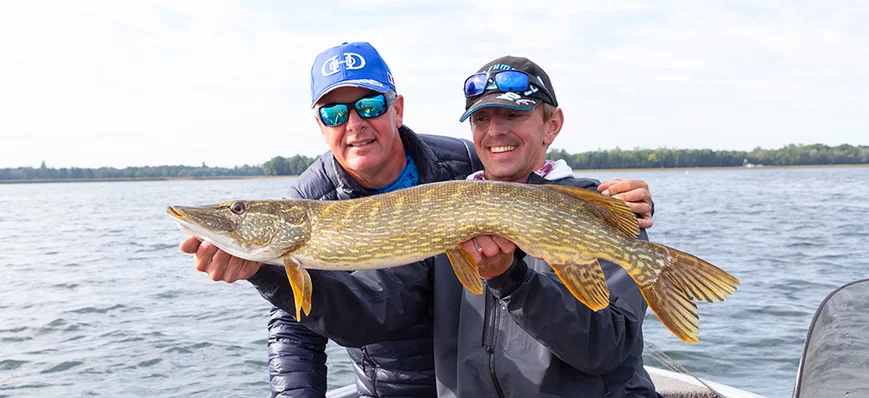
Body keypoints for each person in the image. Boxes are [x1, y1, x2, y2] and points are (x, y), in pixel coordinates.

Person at [181, 45, 656, 397]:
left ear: (397, 108)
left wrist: (606, 204)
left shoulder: (458, 173)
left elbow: (530, 176)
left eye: (369, 106)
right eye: (334, 111)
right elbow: (370, 309)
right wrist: (264, 272)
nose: (495, 133)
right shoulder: (312, 197)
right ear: (320, 122)